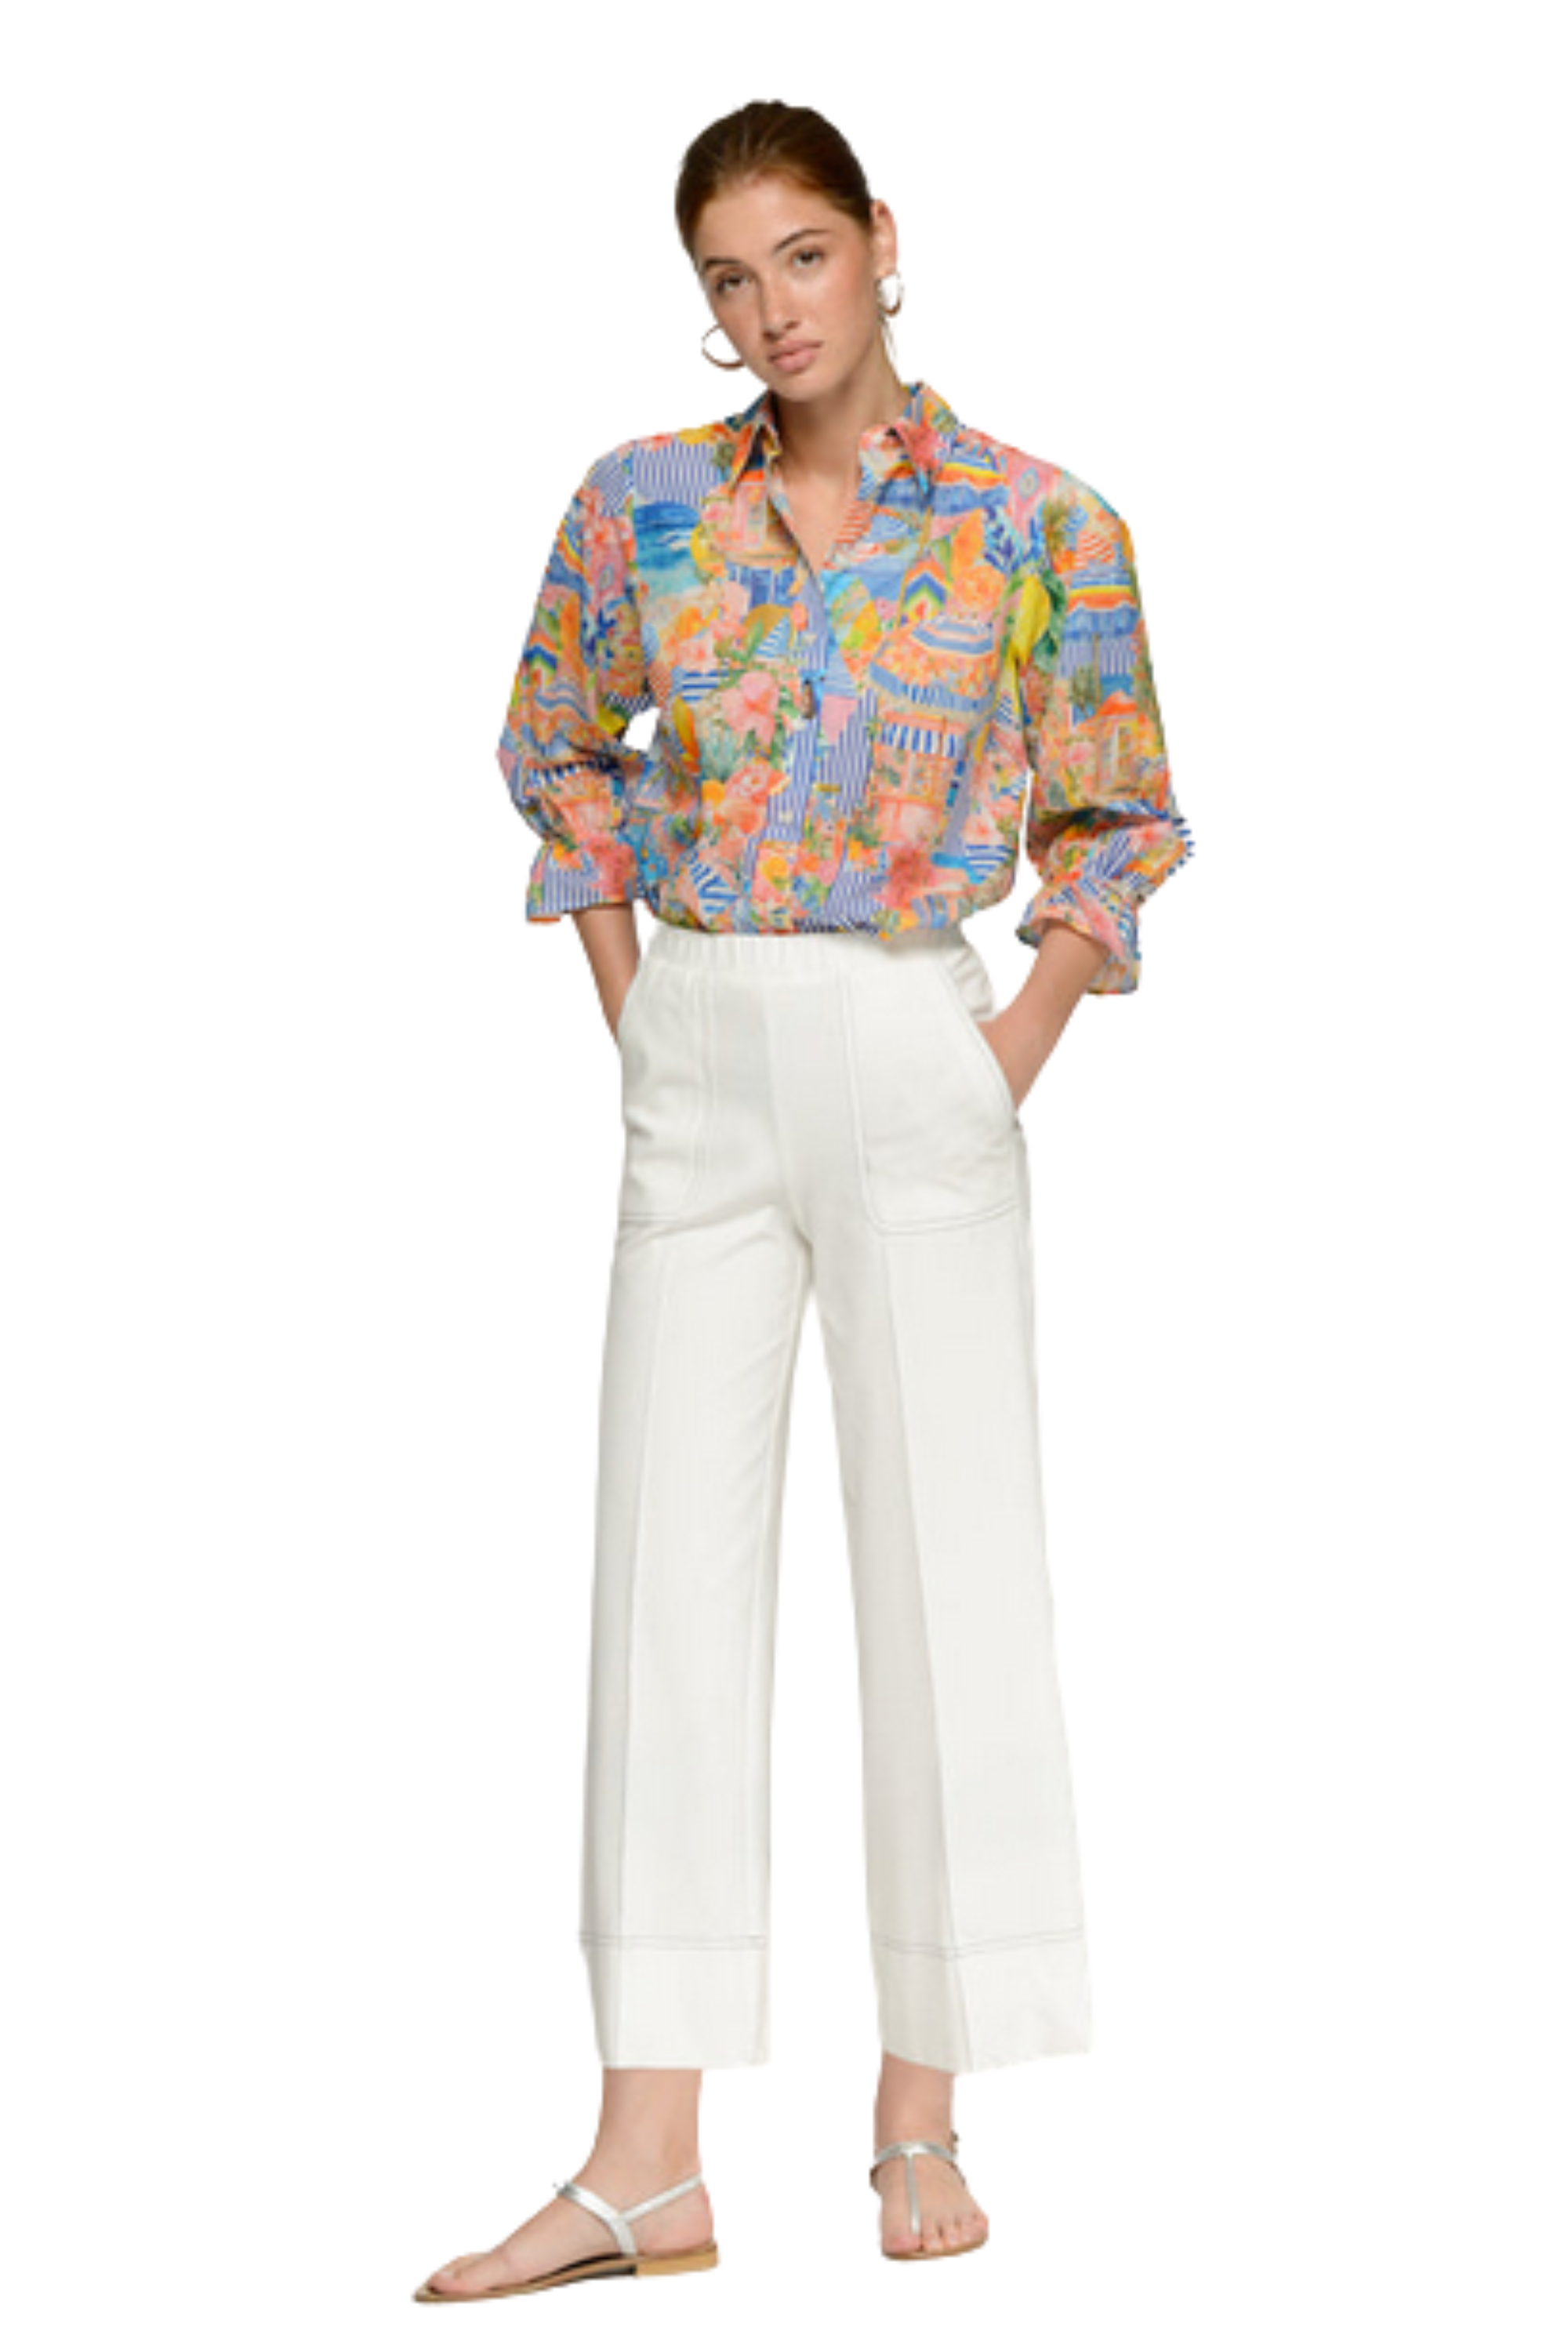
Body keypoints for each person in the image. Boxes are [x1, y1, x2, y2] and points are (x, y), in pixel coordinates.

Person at [416, 97, 1194, 2304]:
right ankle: (643, 2162)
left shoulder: (1041, 523)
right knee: (662, 1575)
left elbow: (1120, 814)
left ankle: (919, 2104)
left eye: (802, 258)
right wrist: (633, 1004)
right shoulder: (638, 507)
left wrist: (1008, 1042)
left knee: (949, 1563)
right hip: (701, 1043)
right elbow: (555, 746)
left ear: (879, 241)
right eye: (730, 281)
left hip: (914, 1035)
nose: (771, 312)